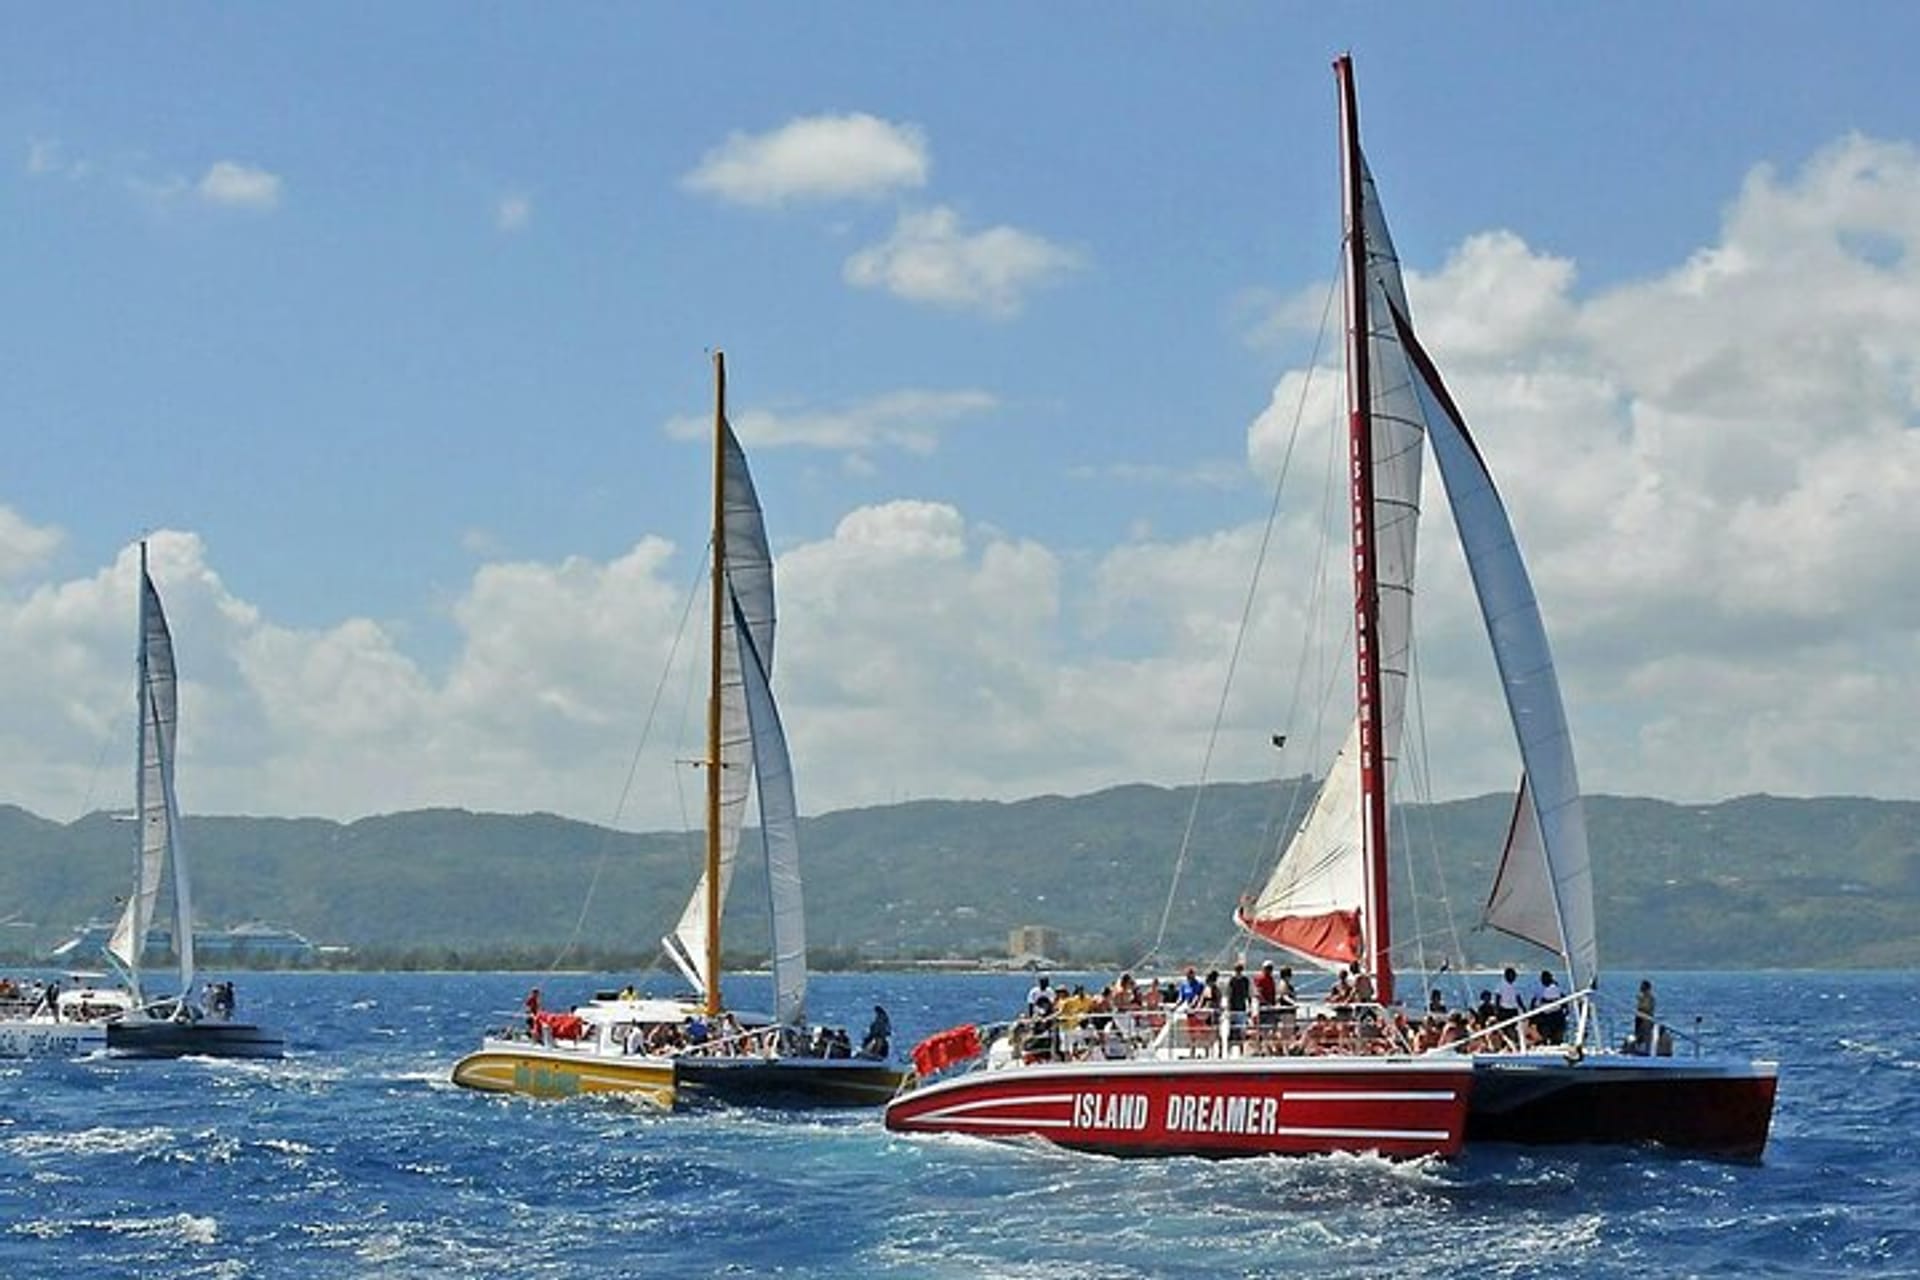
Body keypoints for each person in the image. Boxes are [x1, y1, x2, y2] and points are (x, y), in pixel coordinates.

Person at [1226, 962, 1252, 1055]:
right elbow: (1229, 994)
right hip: (1236, 1008)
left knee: (1240, 1030)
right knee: (1233, 1030)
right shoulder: (1233, 980)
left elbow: (1247, 994)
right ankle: (1231, 1051)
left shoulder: (1244, 980)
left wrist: (1249, 1005)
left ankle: (1241, 1051)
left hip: (1240, 1008)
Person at [1534, 970, 1566, 1045]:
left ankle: (1547, 1041)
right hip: (1553, 1016)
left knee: (1551, 1035)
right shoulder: (1542, 990)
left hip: (1551, 1017)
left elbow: (1535, 1003)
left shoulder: (1553, 989)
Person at [1633, 979, 1657, 1055]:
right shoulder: (1642, 997)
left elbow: (1647, 1008)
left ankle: (1646, 1051)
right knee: (1638, 1035)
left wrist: (1641, 1001)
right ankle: (1638, 1048)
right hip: (1639, 1019)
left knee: (1645, 1036)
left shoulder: (1650, 998)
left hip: (1646, 1019)